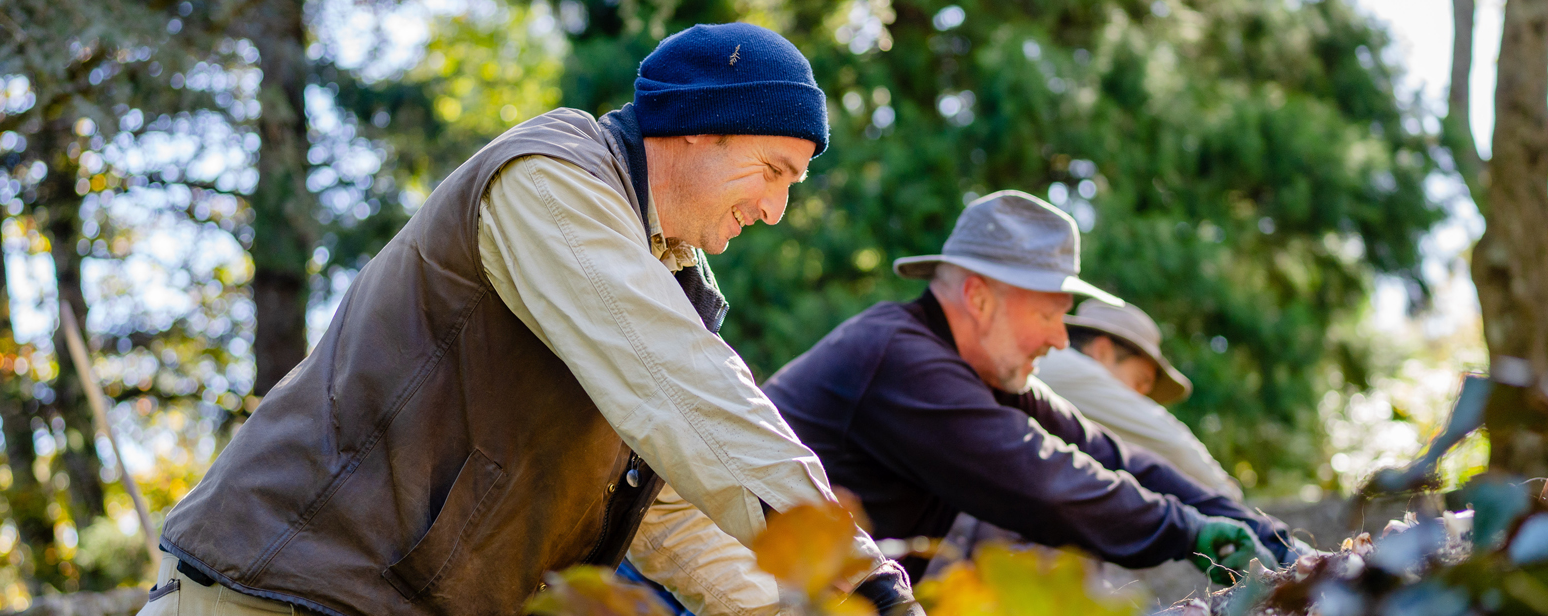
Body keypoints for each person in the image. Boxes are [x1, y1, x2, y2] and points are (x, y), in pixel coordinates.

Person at [139, 23, 916, 616]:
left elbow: (675, 507)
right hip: (271, 593)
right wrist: (864, 576)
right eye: (773, 172)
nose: (777, 210)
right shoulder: (551, 180)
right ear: (696, 125)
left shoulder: (661, 274)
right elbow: (683, 391)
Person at [761, 190, 1296, 588]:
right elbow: (1045, 481)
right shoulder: (898, 358)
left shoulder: (988, 368)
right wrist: (1188, 532)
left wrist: (1259, 530)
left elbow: (1110, 456)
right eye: (1048, 314)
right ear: (979, 298)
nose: (1060, 339)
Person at [1034, 300, 1243, 498]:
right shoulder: (1072, 369)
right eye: (1139, 381)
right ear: (1102, 351)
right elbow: (1173, 443)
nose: (1138, 398)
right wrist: (1226, 492)